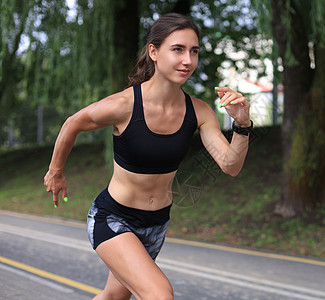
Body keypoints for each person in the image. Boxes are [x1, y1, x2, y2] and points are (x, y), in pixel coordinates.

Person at [43, 13, 252, 300]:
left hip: (156, 225)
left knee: (113, 297)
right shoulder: (125, 104)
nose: (188, 61)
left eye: (194, 51)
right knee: (159, 295)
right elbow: (73, 123)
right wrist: (56, 171)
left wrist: (241, 125)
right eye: (177, 49)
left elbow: (230, 166)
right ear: (153, 52)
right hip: (113, 218)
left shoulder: (199, 112)